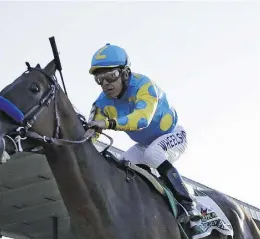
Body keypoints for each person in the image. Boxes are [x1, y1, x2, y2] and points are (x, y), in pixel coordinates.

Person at [86, 43, 201, 223]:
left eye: (111, 76)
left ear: (125, 73)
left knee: (153, 154)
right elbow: (90, 137)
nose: (106, 84)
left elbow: (141, 120)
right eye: (100, 79)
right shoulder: (101, 103)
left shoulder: (144, 85)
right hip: (144, 144)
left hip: (173, 135)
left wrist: (107, 123)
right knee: (122, 165)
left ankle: (188, 203)